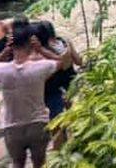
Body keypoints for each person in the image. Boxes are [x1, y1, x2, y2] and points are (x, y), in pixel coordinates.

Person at [0, 23, 64, 168]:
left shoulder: (1, 70)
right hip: (38, 123)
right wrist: (41, 49)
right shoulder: (40, 67)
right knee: (39, 163)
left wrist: (6, 51)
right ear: (30, 43)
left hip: (11, 125)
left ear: (11, 45)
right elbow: (60, 62)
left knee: (17, 163)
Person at [34, 20, 82, 148]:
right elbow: (78, 61)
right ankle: (76, 139)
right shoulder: (65, 41)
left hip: (53, 87)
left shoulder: (43, 51)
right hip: (71, 81)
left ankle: (60, 147)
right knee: (71, 112)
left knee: (57, 120)